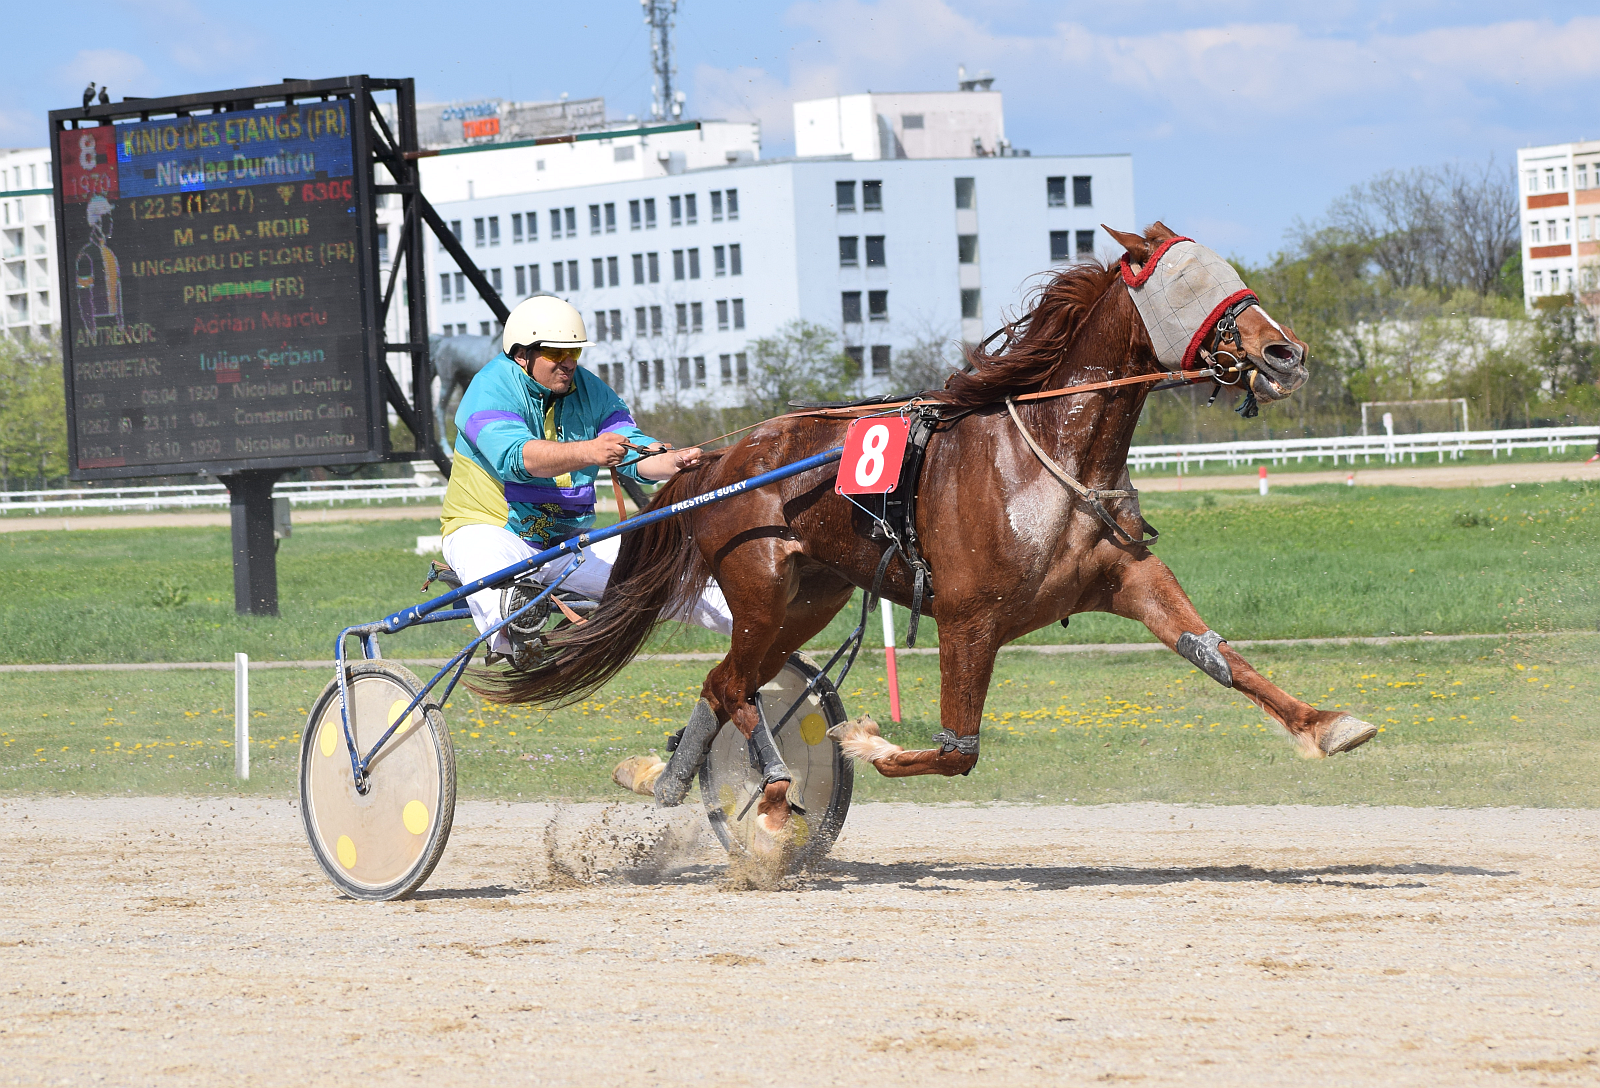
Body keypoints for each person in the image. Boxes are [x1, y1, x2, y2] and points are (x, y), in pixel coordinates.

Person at [439, 296, 732, 663]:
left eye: (574, 352)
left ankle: (763, 630)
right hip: (492, 532)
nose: (568, 363)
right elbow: (518, 458)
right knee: (500, 586)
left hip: (568, 543)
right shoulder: (489, 388)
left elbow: (630, 449)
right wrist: (590, 451)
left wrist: (670, 461)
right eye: (555, 353)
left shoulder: (591, 389)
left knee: (677, 574)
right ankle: (519, 644)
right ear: (522, 354)